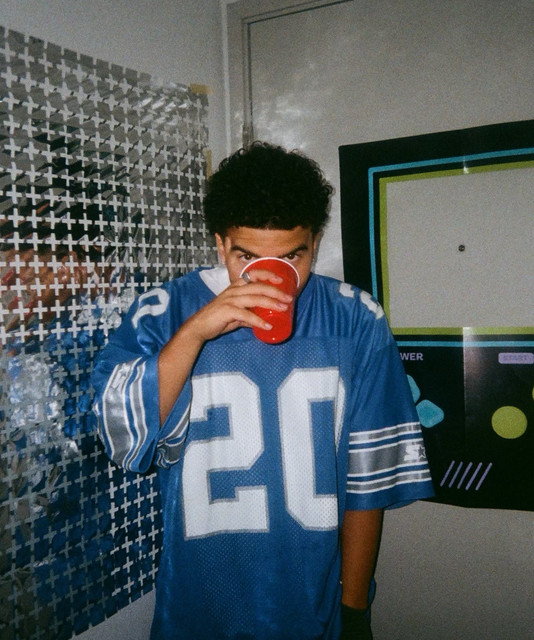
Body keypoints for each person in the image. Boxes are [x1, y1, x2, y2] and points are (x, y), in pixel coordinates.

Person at [92, 142, 434, 639]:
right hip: (197, 605)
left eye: (292, 255)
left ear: (315, 243)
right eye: (247, 256)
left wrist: (355, 610)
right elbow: (123, 441)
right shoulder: (164, 311)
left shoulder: (354, 318)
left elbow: (368, 480)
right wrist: (194, 332)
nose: (272, 274)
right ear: (220, 244)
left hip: (312, 604)